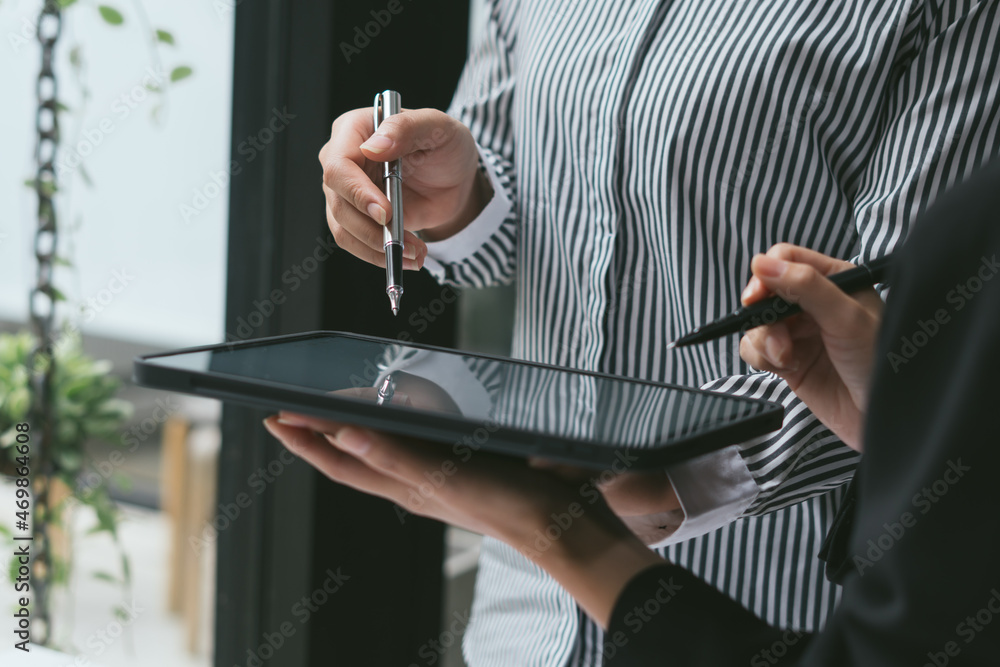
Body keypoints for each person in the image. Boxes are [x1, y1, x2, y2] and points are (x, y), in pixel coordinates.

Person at [318, 1, 1000, 663]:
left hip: (762, 607)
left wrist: (675, 477)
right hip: (526, 618)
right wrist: (448, 198)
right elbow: (503, 223)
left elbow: (926, 344)